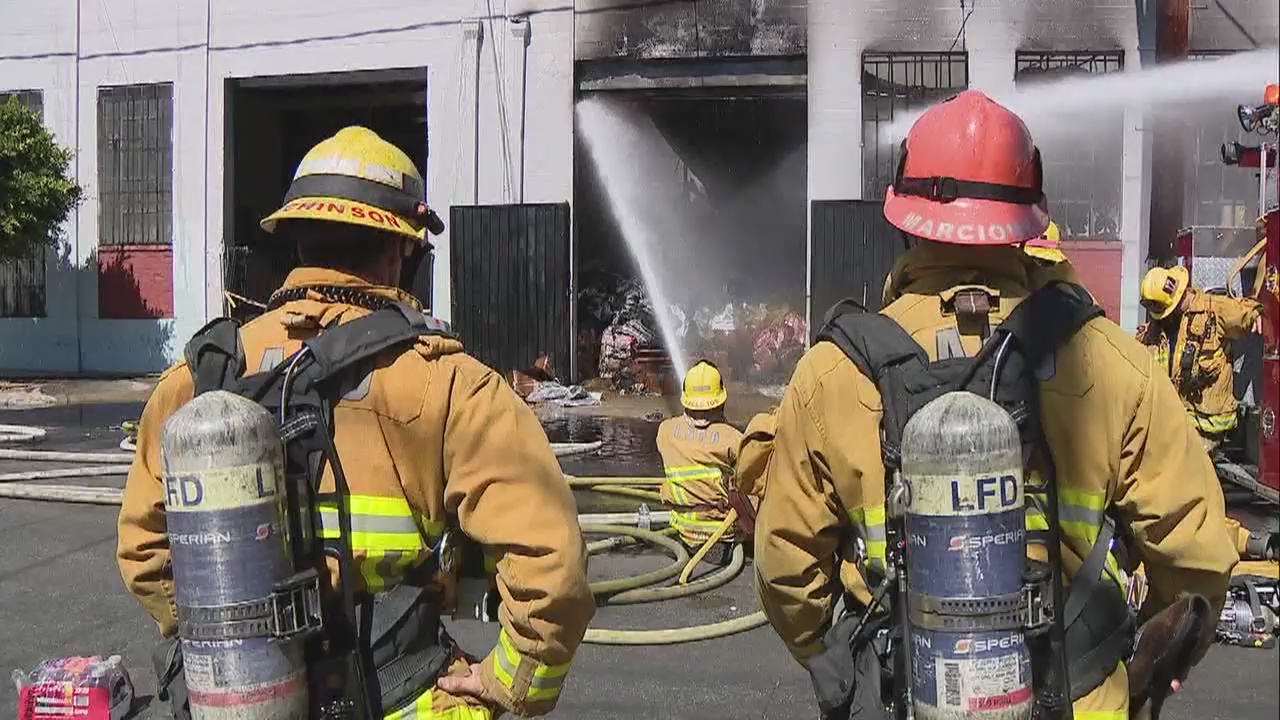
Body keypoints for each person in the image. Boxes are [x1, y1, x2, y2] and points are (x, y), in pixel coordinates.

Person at [754, 90, 1236, 719]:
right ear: (1031, 220)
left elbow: (785, 565)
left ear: (903, 217)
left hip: (911, 697)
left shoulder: (833, 372)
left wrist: (831, 660)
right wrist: (1145, 663)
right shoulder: (1114, 362)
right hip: (1080, 697)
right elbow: (1196, 557)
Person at [116, 127, 594, 720]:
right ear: (400, 251)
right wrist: (514, 681)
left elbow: (144, 551)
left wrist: (234, 650)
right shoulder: (453, 383)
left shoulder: (196, 381)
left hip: (243, 699)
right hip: (401, 694)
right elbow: (553, 566)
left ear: (294, 241)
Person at [1136, 264, 1264, 453]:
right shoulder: (1156, 329)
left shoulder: (1214, 309)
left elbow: (1244, 311)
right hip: (1174, 423)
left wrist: (1256, 314)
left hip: (1207, 428)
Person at [656, 359, 745, 553]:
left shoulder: (665, 432)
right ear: (721, 401)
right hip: (719, 541)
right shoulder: (734, 440)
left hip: (680, 534)